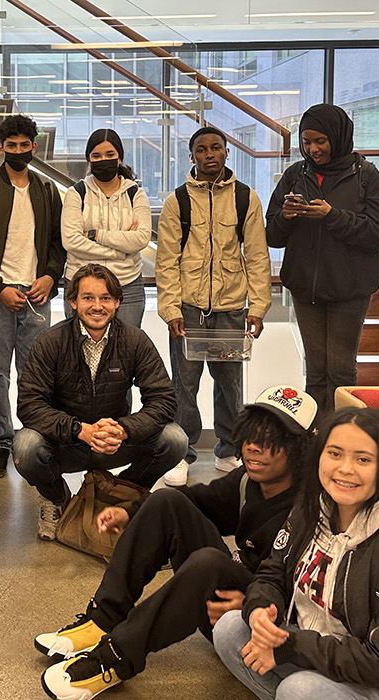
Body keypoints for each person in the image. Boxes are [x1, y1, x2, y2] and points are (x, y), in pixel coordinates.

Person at [38, 386, 317, 700]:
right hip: (225, 602)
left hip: (261, 623)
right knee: (166, 501)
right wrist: (129, 512)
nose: (255, 448)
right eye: (251, 436)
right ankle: (103, 620)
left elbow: (312, 599)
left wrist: (255, 605)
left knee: (208, 562)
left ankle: (114, 660)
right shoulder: (246, 481)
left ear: (300, 448)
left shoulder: (312, 508)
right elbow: (196, 501)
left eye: (271, 442)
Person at [212, 407, 379, 700]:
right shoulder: (312, 506)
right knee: (230, 629)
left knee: (299, 690)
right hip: (309, 647)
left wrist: (289, 646)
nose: (345, 469)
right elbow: (272, 572)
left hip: (375, 682)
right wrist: (261, 611)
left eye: (363, 459)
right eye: (335, 453)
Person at [14, 264, 184, 540]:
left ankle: (123, 493)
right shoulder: (50, 342)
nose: (97, 306)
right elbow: (30, 405)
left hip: (115, 439)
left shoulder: (135, 341)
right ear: (73, 302)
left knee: (175, 439)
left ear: (117, 302)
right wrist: (79, 429)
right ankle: (56, 498)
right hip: (67, 441)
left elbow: (163, 399)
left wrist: (124, 429)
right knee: (26, 446)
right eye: (88, 298)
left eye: (105, 298)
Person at [155, 126, 271, 487]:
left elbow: (257, 255)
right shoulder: (178, 200)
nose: (210, 154)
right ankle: (182, 452)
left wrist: (259, 306)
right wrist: (170, 309)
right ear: (191, 156)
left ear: (226, 153)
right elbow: (166, 260)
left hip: (231, 308)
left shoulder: (245, 198)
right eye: (201, 149)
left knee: (229, 384)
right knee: (184, 385)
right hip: (188, 309)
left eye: (216, 147)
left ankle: (228, 450)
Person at [266, 104, 379, 412]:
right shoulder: (295, 175)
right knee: (315, 371)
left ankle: (342, 435)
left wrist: (331, 216)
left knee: (340, 370)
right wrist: (285, 216)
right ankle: (317, 439)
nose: (312, 149)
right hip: (305, 287)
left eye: (320, 141)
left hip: (349, 288)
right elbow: (272, 236)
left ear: (337, 137)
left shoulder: (365, 174)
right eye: (307, 142)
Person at [0, 114, 65, 479]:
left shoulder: (47, 189)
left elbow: (57, 242)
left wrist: (50, 277)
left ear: (34, 147)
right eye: (12, 146)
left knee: (37, 372)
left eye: (25, 145)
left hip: (38, 294)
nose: (19, 151)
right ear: (1, 147)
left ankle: (34, 437)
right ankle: (1, 441)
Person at [61, 128, 152, 329]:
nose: (104, 159)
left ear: (119, 158)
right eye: (97, 156)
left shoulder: (136, 194)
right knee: (77, 353)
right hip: (80, 285)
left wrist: (95, 235)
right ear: (88, 161)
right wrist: (121, 250)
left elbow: (141, 239)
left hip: (127, 286)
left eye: (110, 155)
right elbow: (71, 241)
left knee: (126, 352)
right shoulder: (76, 194)